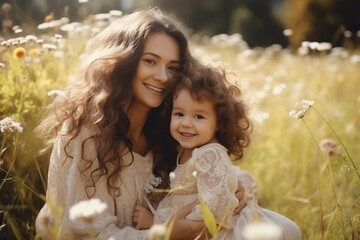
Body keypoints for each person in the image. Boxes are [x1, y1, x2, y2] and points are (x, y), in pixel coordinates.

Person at [35, 8, 249, 240]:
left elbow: (208, 170)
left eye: (173, 68)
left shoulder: (172, 126)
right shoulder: (86, 132)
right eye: (150, 61)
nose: (163, 76)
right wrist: (165, 233)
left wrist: (236, 189)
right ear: (122, 62)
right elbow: (83, 234)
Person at [132, 65, 302, 239]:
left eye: (199, 116)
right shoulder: (187, 149)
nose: (186, 123)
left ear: (219, 122)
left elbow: (212, 210)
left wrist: (156, 223)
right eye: (179, 114)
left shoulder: (210, 154)